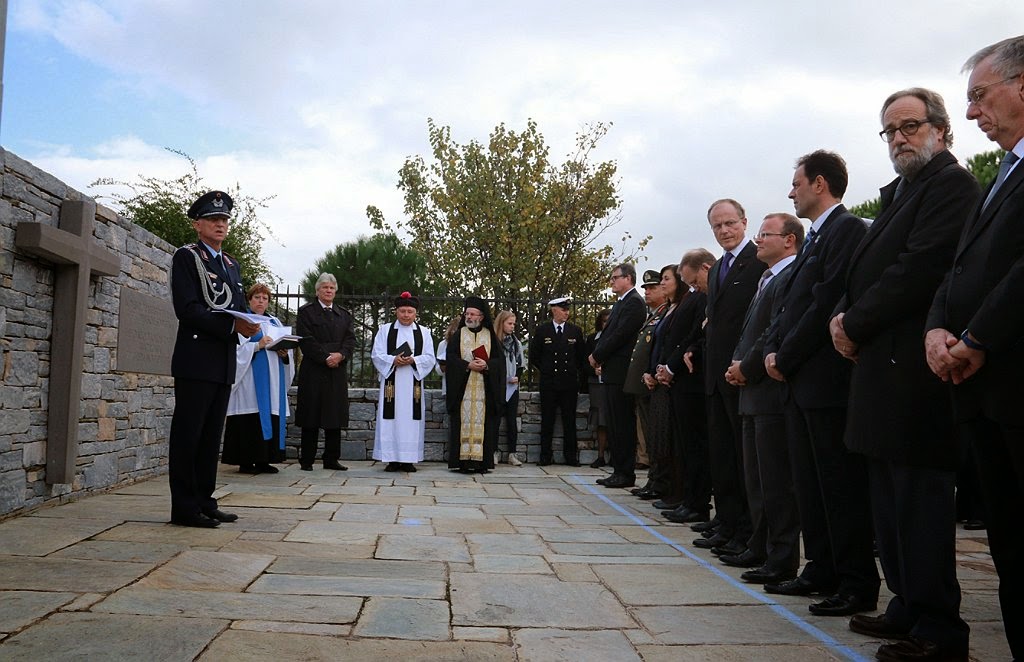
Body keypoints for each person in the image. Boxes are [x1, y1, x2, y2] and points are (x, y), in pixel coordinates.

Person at [832, 87, 979, 661]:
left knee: (919, 502)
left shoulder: (950, 186)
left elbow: (918, 269)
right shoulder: (903, 192)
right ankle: (905, 604)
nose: (899, 138)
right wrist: (842, 318)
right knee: (889, 503)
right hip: (880, 369)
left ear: (940, 129)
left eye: (911, 126)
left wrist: (854, 322)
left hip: (912, 372)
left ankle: (938, 629)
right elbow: (866, 269)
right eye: (890, 130)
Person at [925, 35, 1024, 661]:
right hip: (982, 388)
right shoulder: (1001, 176)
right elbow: (959, 267)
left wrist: (978, 336)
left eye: (979, 97)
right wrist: (938, 327)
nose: (970, 114)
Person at [762, 150, 878, 617]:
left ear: (820, 184)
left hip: (824, 379)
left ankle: (855, 581)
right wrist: (775, 350)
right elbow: (791, 305)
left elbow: (824, 300)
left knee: (839, 485)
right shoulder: (815, 237)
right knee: (809, 484)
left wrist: (784, 355)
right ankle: (821, 567)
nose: (791, 191)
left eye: (796, 183)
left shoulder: (846, 229)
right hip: (799, 380)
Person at [168, 190, 257, 528]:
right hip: (196, 358)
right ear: (198, 224)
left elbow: (239, 307)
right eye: (214, 219)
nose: (221, 225)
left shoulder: (230, 263)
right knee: (189, 435)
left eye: (224, 220)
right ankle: (184, 507)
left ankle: (205, 500)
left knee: (209, 438)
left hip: (222, 361)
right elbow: (188, 309)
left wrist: (253, 325)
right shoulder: (187, 258)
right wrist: (232, 324)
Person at [724, 214, 803, 582]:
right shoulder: (766, 277)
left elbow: (774, 330)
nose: (757, 241)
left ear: (789, 240)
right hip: (752, 393)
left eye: (764, 234)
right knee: (755, 477)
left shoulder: (789, 275)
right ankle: (760, 545)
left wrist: (747, 366)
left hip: (769, 392)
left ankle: (781, 554)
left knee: (775, 481)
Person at [696, 198, 767, 559]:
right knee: (722, 457)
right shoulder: (716, 268)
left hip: (740, 374)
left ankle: (746, 532)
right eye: (717, 226)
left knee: (744, 463)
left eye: (730, 224)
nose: (724, 231)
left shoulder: (758, 262)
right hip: (715, 377)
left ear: (744, 222)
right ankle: (726, 524)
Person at [659, 249, 714, 525]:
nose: (691, 285)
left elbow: (693, 335)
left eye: (691, 280)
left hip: (692, 379)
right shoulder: (692, 297)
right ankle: (688, 499)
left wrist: (671, 366)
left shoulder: (702, 296)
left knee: (695, 446)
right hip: (680, 378)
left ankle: (697, 502)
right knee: (684, 445)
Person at [222, 283, 295, 475]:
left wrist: (285, 354)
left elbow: (290, 357)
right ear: (249, 299)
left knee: (269, 416)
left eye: (265, 298)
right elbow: (234, 351)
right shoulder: (243, 321)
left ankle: (265, 460)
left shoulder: (275, 323)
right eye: (257, 297)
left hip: (273, 381)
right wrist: (257, 345)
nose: (261, 301)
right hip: (249, 383)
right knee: (250, 419)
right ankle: (245, 461)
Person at [591, 264, 647, 488]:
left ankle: (625, 472)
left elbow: (620, 335)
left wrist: (597, 355)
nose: (612, 281)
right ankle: (618, 470)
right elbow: (608, 333)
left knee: (622, 422)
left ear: (629, 278)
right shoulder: (622, 302)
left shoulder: (634, 302)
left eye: (616, 278)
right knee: (614, 422)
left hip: (622, 371)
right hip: (613, 370)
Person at [295, 273, 356, 471]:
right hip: (314, 369)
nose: (328, 291)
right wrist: (325, 357)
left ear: (335, 291)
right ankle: (307, 460)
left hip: (336, 371)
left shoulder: (344, 314)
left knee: (334, 416)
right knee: (311, 415)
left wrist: (340, 356)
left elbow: (350, 340)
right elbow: (306, 339)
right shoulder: (306, 312)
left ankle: (331, 459)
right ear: (317, 290)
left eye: (331, 288)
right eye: (324, 288)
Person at [371, 292, 436, 473]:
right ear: (396, 311)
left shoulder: (424, 332)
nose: (406, 315)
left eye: (410, 311)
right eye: (402, 311)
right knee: (390, 419)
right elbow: (376, 354)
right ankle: (392, 459)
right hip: (392, 382)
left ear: (416, 313)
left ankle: (408, 459)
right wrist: (393, 360)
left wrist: (414, 360)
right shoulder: (385, 330)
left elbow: (430, 358)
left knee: (410, 420)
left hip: (412, 383)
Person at [446, 297, 505, 474]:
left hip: (484, 389)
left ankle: (481, 462)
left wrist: (487, 366)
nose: (469, 317)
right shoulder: (460, 334)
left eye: (472, 314)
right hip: (463, 390)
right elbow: (451, 358)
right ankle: (463, 462)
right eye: (467, 314)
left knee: (484, 422)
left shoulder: (490, 335)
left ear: (481, 316)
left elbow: (499, 362)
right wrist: (467, 365)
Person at [529, 297, 587, 466]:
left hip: (568, 383)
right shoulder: (543, 330)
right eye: (563, 309)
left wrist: (571, 371)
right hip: (549, 383)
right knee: (547, 420)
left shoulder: (575, 331)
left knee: (569, 421)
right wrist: (547, 370)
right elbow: (535, 356)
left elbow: (580, 357)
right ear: (554, 310)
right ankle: (545, 456)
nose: (566, 312)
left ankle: (570, 456)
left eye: (567, 309)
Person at [627, 270, 669, 499]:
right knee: (648, 433)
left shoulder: (663, 314)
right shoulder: (653, 316)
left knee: (656, 435)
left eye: (653, 287)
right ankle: (654, 478)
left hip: (655, 383)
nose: (648, 292)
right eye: (646, 288)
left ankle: (658, 480)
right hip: (645, 383)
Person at [494, 310, 525, 466]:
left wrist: (517, 377)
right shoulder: (494, 342)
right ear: (501, 323)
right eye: (509, 323)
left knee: (511, 421)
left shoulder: (516, 343)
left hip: (512, 387)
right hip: (498, 386)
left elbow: (521, 364)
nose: (512, 326)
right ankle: (494, 452)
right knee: (495, 419)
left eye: (514, 324)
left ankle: (512, 453)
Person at [585, 309, 612, 468]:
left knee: (614, 419)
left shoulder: (618, 338)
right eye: (604, 321)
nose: (606, 324)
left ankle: (615, 456)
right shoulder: (591, 339)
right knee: (600, 420)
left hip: (613, 382)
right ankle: (601, 455)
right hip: (596, 384)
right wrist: (593, 370)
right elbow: (583, 363)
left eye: (610, 320)